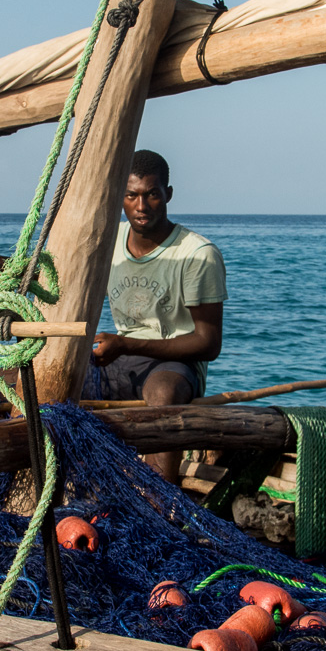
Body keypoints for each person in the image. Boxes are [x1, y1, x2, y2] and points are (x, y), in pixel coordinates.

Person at [92, 149, 226, 484]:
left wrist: (125, 344)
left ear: (168, 194)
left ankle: (159, 507)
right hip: (120, 355)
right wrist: (9, 266)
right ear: (120, 197)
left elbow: (207, 344)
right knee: (28, 373)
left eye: (152, 194)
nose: (141, 206)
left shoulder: (197, 254)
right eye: (132, 195)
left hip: (174, 363)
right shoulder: (108, 240)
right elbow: (56, 274)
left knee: (164, 394)